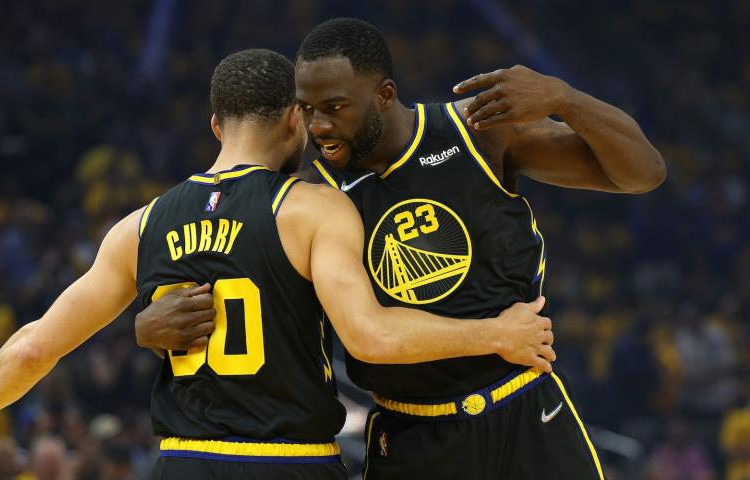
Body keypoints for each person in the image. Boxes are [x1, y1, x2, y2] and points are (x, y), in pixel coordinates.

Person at [0, 49, 554, 480]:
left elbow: (33, 349)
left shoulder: (140, 226)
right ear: (294, 119)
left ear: (216, 126)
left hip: (185, 462)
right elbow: (373, 337)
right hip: (291, 461)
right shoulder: (312, 211)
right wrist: (498, 333)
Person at [138, 18, 666, 480]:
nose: (319, 126)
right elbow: (230, 263)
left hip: (523, 407)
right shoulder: (307, 193)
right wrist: (145, 326)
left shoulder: (479, 132)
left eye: (335, 108)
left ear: (385, 95)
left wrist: (566, 99)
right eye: (307, 110)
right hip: (410, 431)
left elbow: (643, 174)